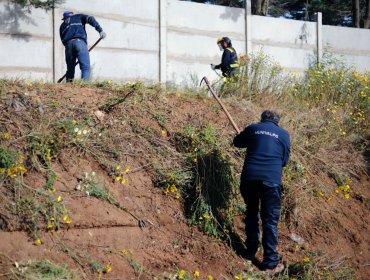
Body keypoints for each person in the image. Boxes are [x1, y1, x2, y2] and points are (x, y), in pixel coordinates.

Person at [233, 110, 290, 275]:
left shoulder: (253, 128)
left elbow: (237, 142)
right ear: (277, 122)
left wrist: (246, 137)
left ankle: (250, 250)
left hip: (249, 179)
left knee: (251, 212)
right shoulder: (284, 135)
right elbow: (284, 161)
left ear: (262, 118)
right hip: (271, 182)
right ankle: (271, 263)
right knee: (270, 221)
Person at [59, 11, 106, 82]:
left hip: (68, 45)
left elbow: (63, 40)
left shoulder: (62, 26)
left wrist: (69, 45)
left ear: (64, 18)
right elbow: (90, 18)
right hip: (80, 42)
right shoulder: (78, 17)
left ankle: (68, 87)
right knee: (85, 67)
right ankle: (84, 85)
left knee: (70, 68)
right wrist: (100, 30)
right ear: (72, 15)